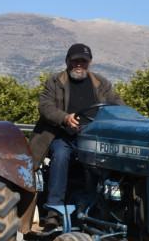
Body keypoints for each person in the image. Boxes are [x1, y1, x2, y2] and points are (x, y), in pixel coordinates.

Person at [29, 43, 124, 230]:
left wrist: (131, 117)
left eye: (83, 61)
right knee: (61, 156)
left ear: (89, 63)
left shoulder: (101, 83)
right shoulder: (55, 82)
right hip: (62, 136)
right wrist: (65, 118)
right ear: (67, 61)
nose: (79, 64)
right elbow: (45, 107)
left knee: (109, 162)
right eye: (75, 60)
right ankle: (53, 211)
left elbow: (118, 104)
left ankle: (105, 209)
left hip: (92, 138)